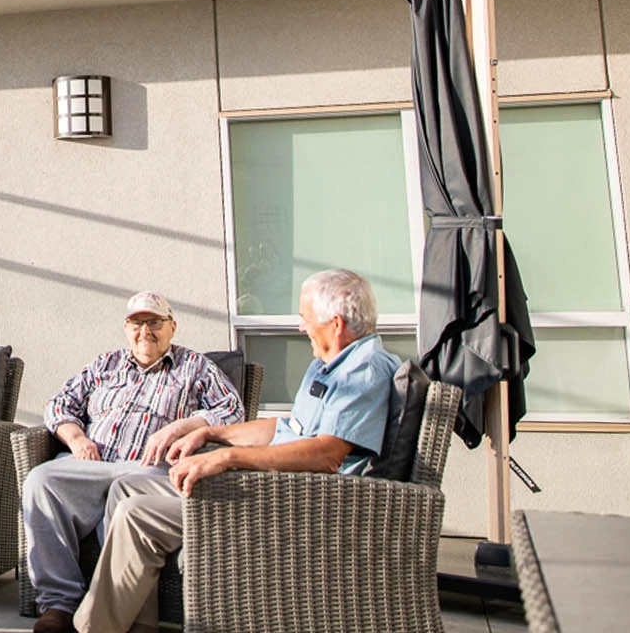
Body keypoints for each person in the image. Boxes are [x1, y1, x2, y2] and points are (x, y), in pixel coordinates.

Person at [73, 268, 401, 633]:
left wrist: (225, 457)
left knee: (137, 515)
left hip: (299, 500)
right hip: (272, 483)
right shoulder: (329, 365)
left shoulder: (363, 371)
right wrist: (212, 434)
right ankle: (137, 624)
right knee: (127, 487)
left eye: (306, 319)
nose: (300, 327)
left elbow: (326, 454)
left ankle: (94, 628)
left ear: (335, 324)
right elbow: (288, 428)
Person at [23, 291, 244, 633]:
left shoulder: (195, 366)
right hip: (93, 461)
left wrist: (181, 427)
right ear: (126, 329)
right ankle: (58, 604)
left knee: (127, 489)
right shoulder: (104, 364)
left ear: (172, 327)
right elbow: (59, 405)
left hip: (151, 467)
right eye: (137, 323)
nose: (146, 332)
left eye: (155, 322)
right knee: (41, 480)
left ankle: (128, 616)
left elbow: (232, 411)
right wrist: (77, 438)